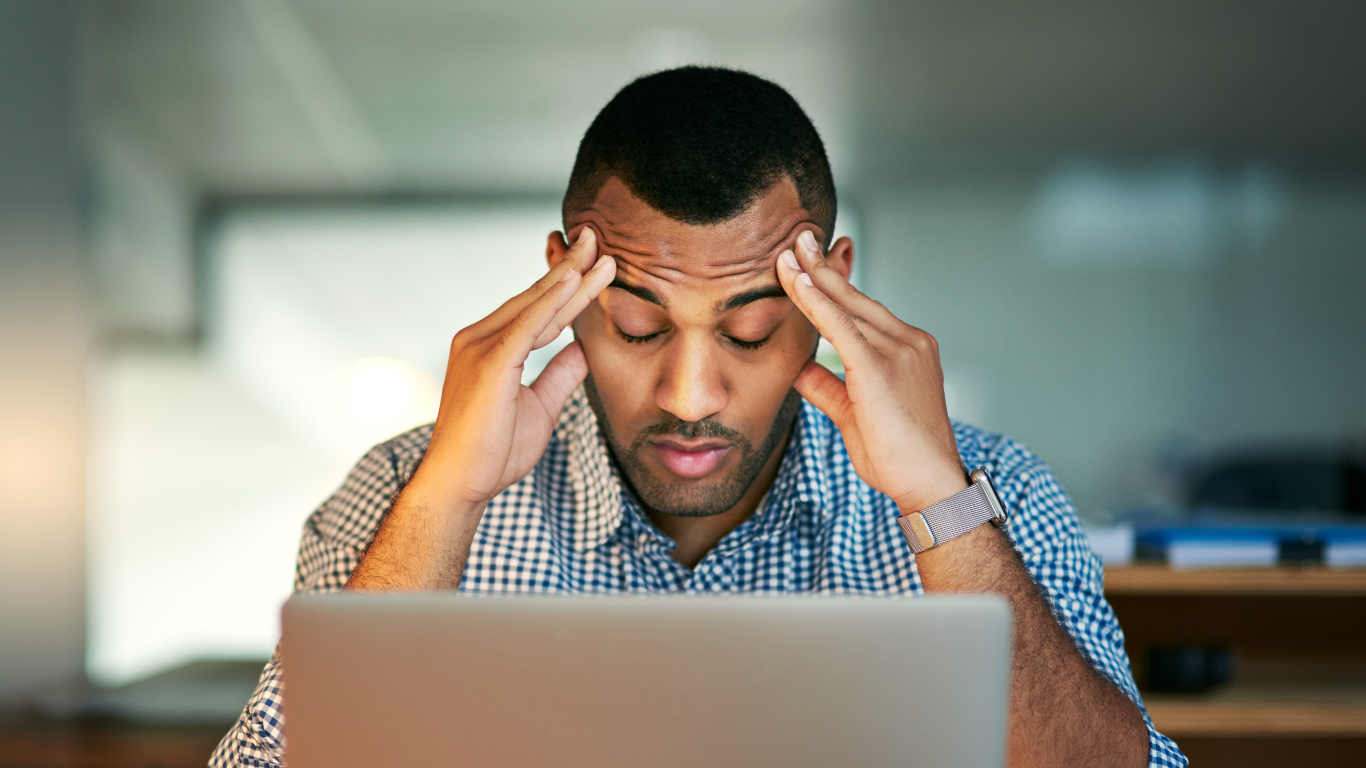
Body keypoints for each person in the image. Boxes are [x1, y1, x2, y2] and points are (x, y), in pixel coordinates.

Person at [211, 67, 1186, 768]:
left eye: (752, 334)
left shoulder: (992, 491)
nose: (688, 397)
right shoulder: (401, 491)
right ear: (562, 280)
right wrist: (445, 504)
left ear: (828, 295)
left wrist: (937, 501)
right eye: (636, 328)